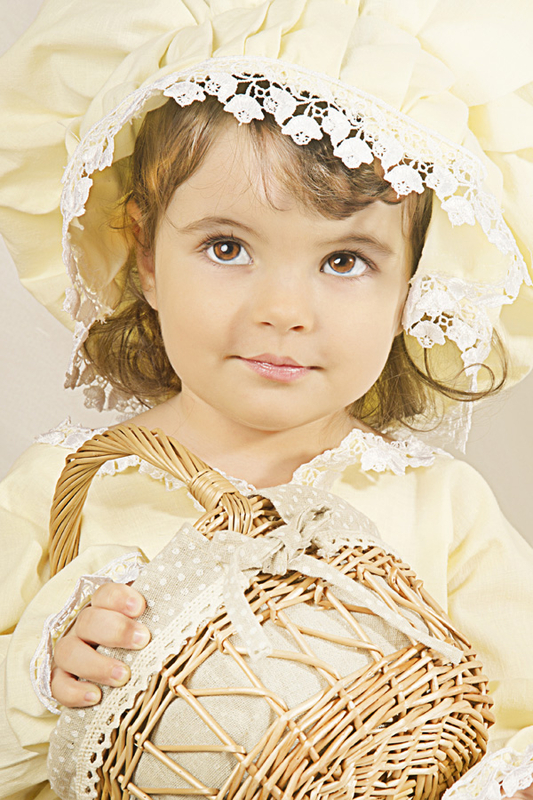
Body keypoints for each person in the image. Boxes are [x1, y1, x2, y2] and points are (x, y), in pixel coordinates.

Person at [0, 1, 532, 798]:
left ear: (410, 289)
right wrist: (43, 675)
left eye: (345, 260)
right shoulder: (63, 488)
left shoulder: (442, 506)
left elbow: (515, 723)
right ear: (145, 255)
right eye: (227, 247)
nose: (284, 311)